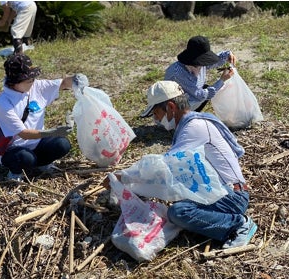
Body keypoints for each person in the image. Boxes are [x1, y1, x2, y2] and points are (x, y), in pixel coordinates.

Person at [108, 81, 256, 249]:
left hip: (232, 197)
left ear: (171, 107)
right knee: (178, 204)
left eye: (156, 113)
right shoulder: (190, 125)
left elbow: (162, 167)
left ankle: (238, 225)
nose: (156, 119)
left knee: (178, 212)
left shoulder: (194, 128)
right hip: (224, 191)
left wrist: (123, 177)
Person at [0, 53, 85, 181]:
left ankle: (41, 163)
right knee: (26, 158)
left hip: (37, 143)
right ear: (14, 82)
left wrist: (75, 79)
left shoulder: (36, 86)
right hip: (14, 149)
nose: (32, 83)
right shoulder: (4, 103)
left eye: (32, 79)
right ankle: (15, 172)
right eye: (28, 81)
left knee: (62, 144)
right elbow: (24, 134)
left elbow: (63, 83)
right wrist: (52, 132)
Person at [164, 36, 237, 112]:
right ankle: (183, 120)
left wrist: (227, 55)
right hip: (171, 112)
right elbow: (201, 95)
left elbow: (214, 61)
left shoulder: (199, 64)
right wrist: (222, 80)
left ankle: (191, 115)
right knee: (203, 94)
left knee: (206, 88)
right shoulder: (178, 73)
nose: (203, 65)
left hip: (187, 99)